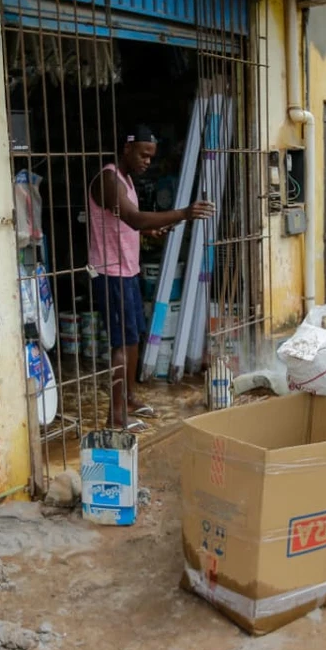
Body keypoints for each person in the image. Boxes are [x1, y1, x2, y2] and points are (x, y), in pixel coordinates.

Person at [89, 125, 214, 431]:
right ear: (127, 149)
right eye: (143, 155)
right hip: (109, 272)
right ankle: (116, 417)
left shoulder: (126, 180)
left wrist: (148, 231)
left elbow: (127, 223)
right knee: (121, 343)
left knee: (133, 339)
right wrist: (182, 213)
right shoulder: (108, 180)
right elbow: (132, 217)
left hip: (127, 270)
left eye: (151, 157)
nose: (147, 161)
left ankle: (129, 398)